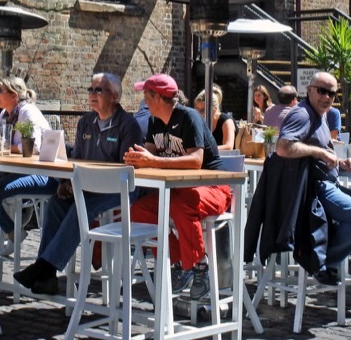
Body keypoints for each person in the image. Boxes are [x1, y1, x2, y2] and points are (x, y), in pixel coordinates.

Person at [12, 73, 143, 295]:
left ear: (114, 96)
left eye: (98, 90)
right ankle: (48, 278)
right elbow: (77, 161)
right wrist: (67, 183)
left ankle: (44, 266)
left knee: (81, 208)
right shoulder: (85, 123)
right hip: (87, 188)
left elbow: (125, 169)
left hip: (119, 190)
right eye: (90, 90)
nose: (92, 95)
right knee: (56, 202)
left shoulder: (128, 125)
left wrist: (84, 185)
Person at [126, 73, 230, 302]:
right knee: (140, 211)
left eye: (146, 95)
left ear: (159, 97)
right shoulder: (155, 121)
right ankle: (180, 263)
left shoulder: (189, 117)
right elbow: (151, 153)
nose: (143, 101)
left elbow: (196, 160)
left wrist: (152, 161)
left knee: (181, 207)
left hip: (213, 186)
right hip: (178, 190)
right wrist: (138, 158)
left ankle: (199, 267)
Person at [278, 71, 351, 287]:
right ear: (309, 90)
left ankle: (319, 255)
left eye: (332, 93)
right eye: (322, 91)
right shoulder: (302, 114)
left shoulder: (320, 115)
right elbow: (283, 147)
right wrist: (320, 153)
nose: (327, 97)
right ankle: (319, 261)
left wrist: (340, 162)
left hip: (327, 182)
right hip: (315, 188)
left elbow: (317, 150)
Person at [0, 74, 54, 264]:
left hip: (42, 173)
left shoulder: (28, 112)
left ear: (14, 95)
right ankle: (14, 231)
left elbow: (33, 147)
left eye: (0, 90)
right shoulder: (6, 115)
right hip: (15, 171)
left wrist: (5, 146)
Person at [193, 84, 235, 151]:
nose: (199, 113)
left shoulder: (226, 121)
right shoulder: (198, 121)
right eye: (197, 108)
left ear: (214, 109)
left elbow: (228, 147)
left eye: (203, 110)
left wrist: (205, 150)